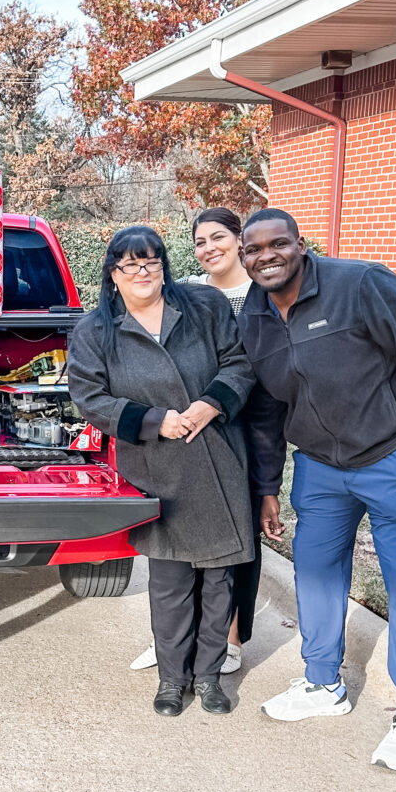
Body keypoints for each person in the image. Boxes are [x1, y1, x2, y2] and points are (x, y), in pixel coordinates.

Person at [238, 209, 396, 772]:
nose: (266, 256)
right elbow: (265, 408)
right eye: (253, 249)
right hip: (320, 468)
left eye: (278, 244)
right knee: (315, 573)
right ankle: (323, 684)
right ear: (244, 258)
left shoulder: (360, 284)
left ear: (301, 245)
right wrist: (267, 484)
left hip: (393, 459)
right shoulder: (254, 316)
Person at [68, 226, 256, 717]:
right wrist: (156, 421)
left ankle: (209, 677)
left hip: (218, 458)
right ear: (113, 274)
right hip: (156, 468)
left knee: (219, 580)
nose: (143, 271)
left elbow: (240, 364)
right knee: (170, 583)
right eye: (130, 264)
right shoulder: (95, 331)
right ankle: (173, 680)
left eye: (151, 261)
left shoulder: (204, 307)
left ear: (163, 266)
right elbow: (90, 398)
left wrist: (212, 404)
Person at [131, 207, 256, 676]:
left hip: (245, 418)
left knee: (235, 536)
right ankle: (172, 642)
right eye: (200, 241)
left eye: (218, 237)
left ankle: (229, 639)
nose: (209, 248)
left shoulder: (261, 291)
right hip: (188, 422)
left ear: (239, 238)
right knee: (179, 535)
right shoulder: (186, 291)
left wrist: (218, 402)